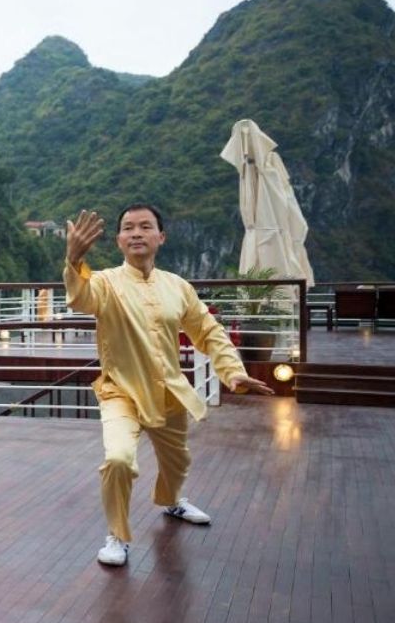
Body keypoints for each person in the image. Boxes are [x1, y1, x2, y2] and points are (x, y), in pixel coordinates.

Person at [64, 204, 273, 567]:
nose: (136, 233)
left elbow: (207, 331)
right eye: (128, 227)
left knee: (177, 461)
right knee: (118, 459)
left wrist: (232, 371)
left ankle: (172, 501)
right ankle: (117, 535)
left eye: (145, 226)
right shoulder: (105, 283)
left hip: (168, 390)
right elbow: (81, 297)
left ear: (161, 237)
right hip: (120, 391)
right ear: (118, 240)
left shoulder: (178, 287)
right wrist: (73, 259)